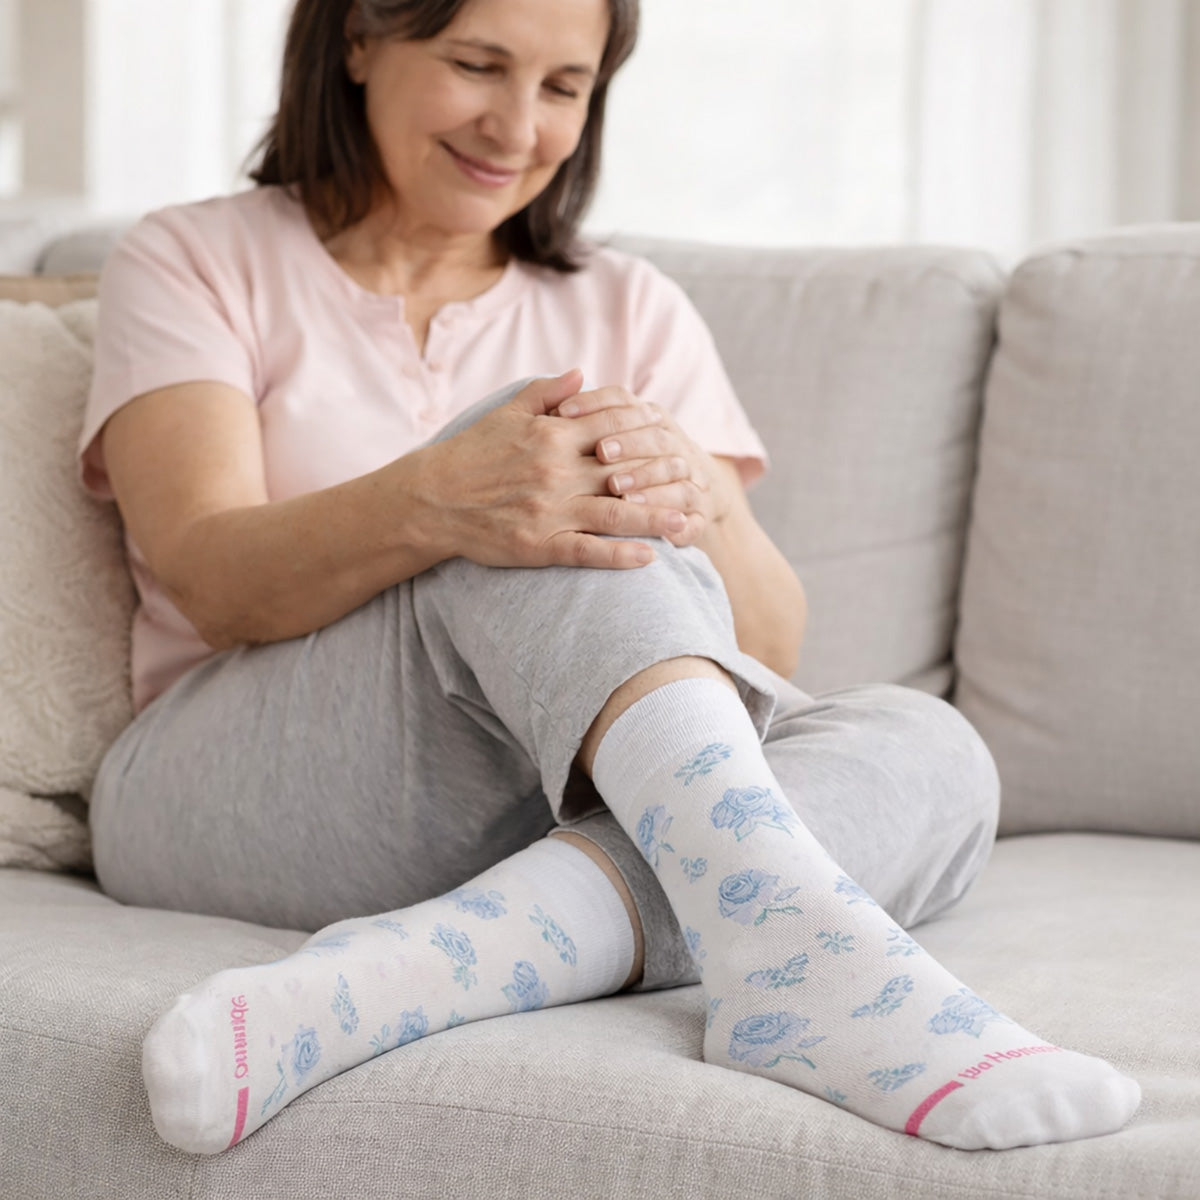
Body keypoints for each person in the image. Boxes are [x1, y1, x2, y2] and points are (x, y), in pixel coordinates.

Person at [79, 0, 1139, 1160]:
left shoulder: (629, 305)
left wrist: (698, 491)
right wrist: (442, 495)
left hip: (549, 805)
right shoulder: (193, 257)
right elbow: (211, 576)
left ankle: (409, 975)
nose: (516, 126)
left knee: (931, 749)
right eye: (477, 64)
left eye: (563, 88)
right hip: (229, 777)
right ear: (359, 40)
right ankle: (804, 964)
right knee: (537, 469)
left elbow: (768, 654)